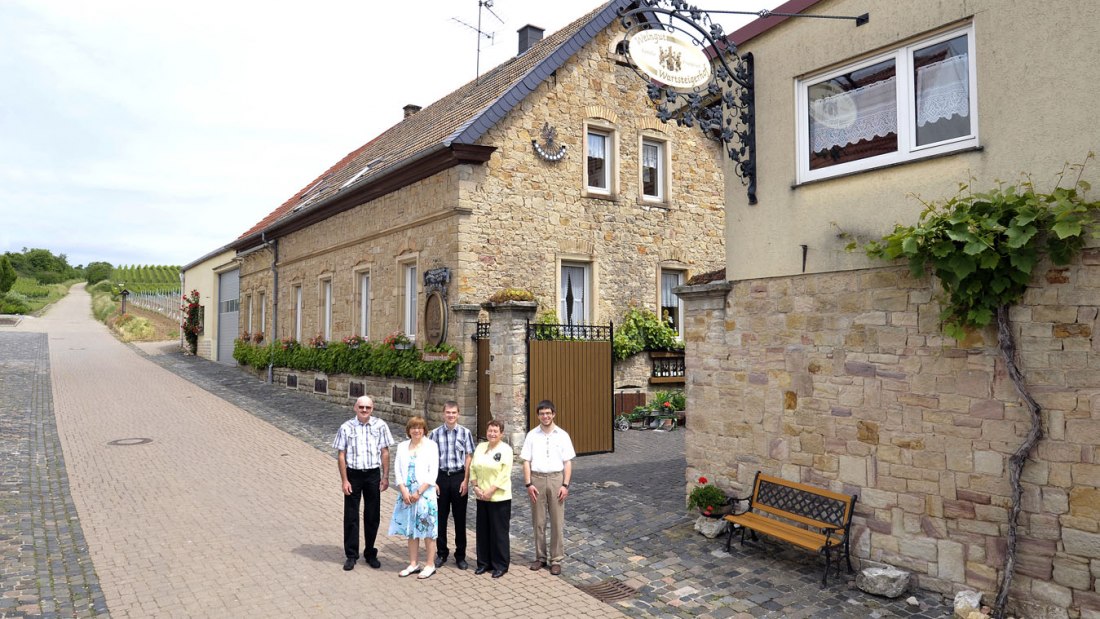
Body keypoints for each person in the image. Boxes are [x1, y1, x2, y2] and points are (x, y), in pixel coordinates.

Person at [334, 395, 394, 571]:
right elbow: (341, 455)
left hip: (373, 475)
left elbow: (385, 452)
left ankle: (370, 552)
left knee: (372, 515)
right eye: (361, 407)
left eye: (368, 407)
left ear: (372, 408)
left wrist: (385, 477)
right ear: (355, 408)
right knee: (351, 516)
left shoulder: (380, 426)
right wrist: (344, 480)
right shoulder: (346, 427)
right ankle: (351, 555)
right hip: (353, 474)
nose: (364, 410)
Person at [520, 399, 576, 576]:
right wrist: (528, 483)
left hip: (556, 479)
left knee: (557, 522)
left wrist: (565, 485)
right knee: (538, 521)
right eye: (542, 413)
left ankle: (556, 559)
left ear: (553, 414)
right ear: (538, 415)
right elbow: (526, 461)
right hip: (537, 479)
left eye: (548, 413)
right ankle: (540, 557)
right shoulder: (531, 435)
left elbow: (567, 463)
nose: (545, 416)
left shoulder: (563, 435)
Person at [387, 416, 440, 579]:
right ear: (408, 430)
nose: (416, 430)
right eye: (413, 428)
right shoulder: (403, 446)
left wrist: (419, 492)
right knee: (411, 529)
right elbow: (398, 469)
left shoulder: (431, 446)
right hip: (407, 494)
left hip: (424, 493)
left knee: (428, 529)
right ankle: (413, 563)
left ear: (424, 430)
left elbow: (433, 472)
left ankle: (430, 564)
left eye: (420, 427)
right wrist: (403, 490)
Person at [428, 401, 475, 570]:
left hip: (458, 477)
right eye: (448, 412)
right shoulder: (434, 434)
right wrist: (433, 481)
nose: (451, 415)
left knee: (460, 518)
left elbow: (469, 457)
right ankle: (441, 553)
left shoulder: (465, 433)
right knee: (440, 517)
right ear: (443, 414)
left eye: (454, 412)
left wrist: (466, 480)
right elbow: (430, 458)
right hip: (441, 478)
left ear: (458, 414)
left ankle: (460, 555)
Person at [470, 418, 512, 578]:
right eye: (490, 430)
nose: (492, 433)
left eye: (495, 431)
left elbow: (504, 474)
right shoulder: (480, 447)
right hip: (481, 496)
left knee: (499, 532)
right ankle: (484, 563)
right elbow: (473, 467)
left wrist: (490, 491)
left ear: (501, 433)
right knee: (483, 531)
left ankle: (500, 565)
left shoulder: (506, 450)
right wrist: (476, 487)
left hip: (499, 497)